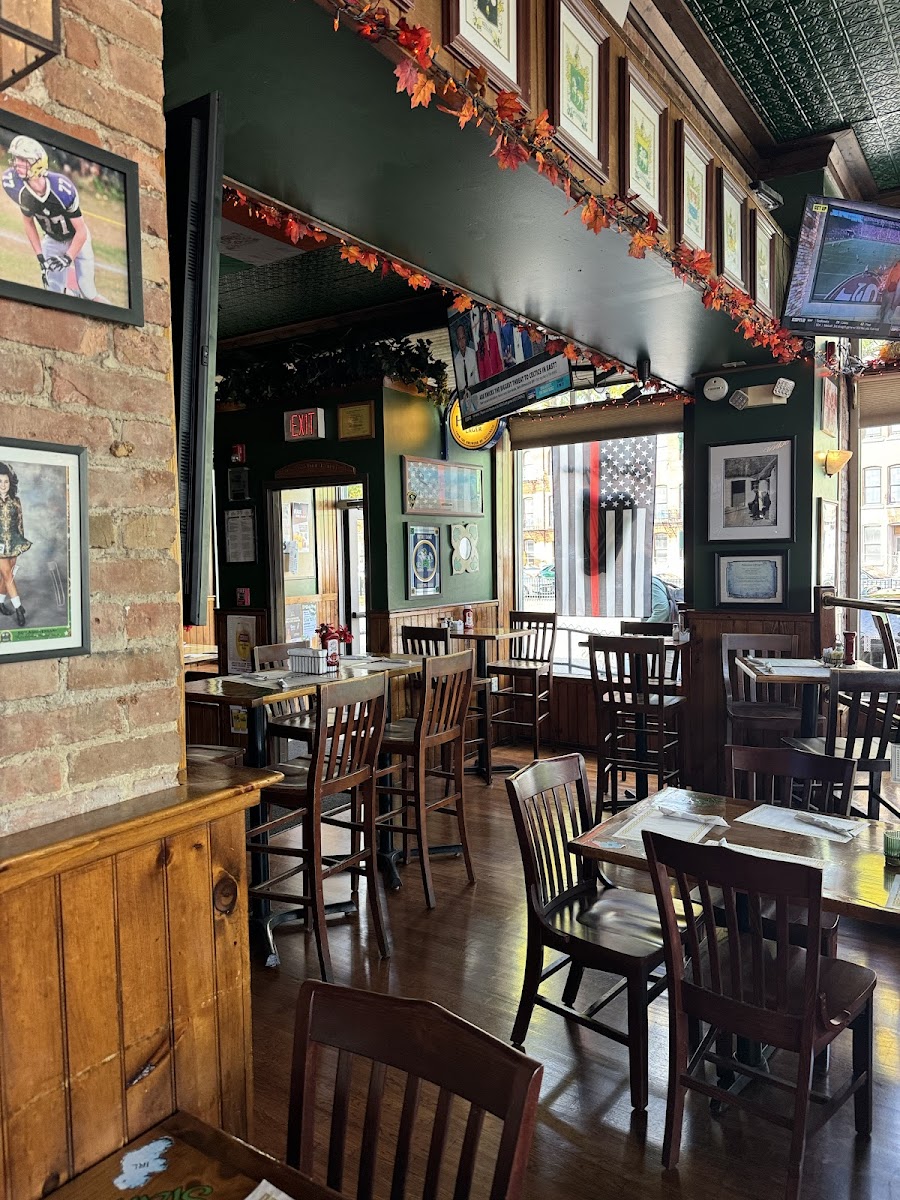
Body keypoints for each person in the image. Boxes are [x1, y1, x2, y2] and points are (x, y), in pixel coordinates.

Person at [2, 135, 106, 301]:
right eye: (16, 158)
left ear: (37, 163)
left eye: (23, 160)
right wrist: (40, 256)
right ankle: (74, 297)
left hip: (77, 238)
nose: (17, 164)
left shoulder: (61, 188)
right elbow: (28, 222)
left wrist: (68, 257)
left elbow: (81, 231)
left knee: (88, 291)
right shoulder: (14, 184)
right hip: (52, 239)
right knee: (54, 293)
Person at [0, 463, 31, 627]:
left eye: (6, 481)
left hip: (13, 543)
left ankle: (0, 603)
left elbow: (20, 524)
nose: (3, 485)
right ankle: (19, 608)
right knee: (7, 574)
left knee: (8, 575)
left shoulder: (16, 501)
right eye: (0, 481)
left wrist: (20, 543)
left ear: (10, 483)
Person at [475, 308, 503, 380]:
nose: (485, 324)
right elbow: (481, 370)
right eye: (483, 321)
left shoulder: (494, 336)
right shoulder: (480, 344)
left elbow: (498, 359)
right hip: (488, 381)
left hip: (498, 377)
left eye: (487, 320)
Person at [451, 320, 479, 390]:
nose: (462, 342)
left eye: (463, 338)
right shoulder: (456, 363)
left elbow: (477, 378)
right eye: (459, 339)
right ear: (457, 342)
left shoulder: (473, 355)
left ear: (466, 338)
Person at [879, 258, 900, 331]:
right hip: (891, 291)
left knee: (884, 307)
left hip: (887, 290)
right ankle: (885, 326)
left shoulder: (894, 267)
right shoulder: (897, 269)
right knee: (889, 307)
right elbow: (894, 283)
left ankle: (881, 324)